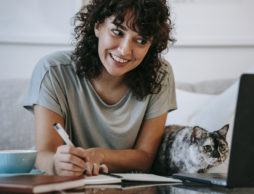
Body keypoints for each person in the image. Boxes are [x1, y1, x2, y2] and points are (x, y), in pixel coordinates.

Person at [24, 0, 176, 176]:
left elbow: (145, 157)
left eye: (141, 40)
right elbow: (44, 155)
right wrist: (56, 164)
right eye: (117, 32)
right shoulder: (52, 71)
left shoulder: (160, 74)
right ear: (97, 26)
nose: (125, 50)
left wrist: (100, 155)